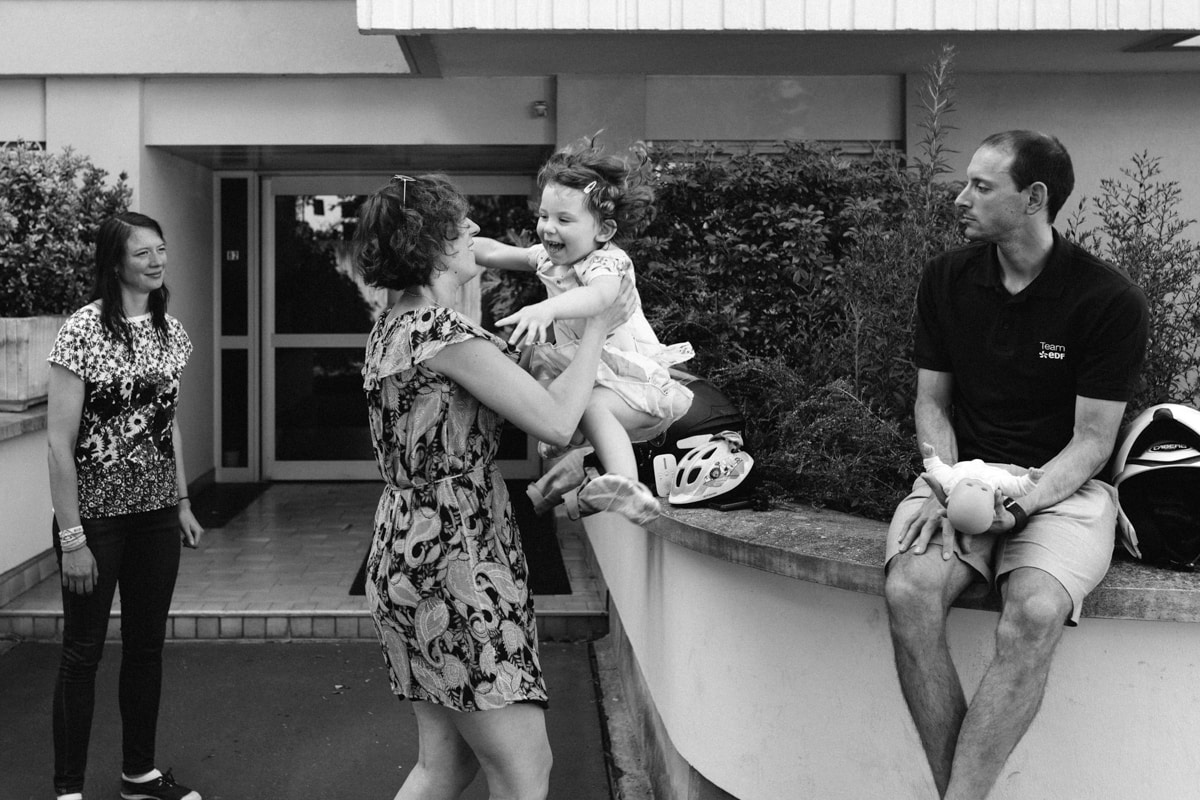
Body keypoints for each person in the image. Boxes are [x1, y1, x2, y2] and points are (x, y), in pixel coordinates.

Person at [352, 173, 641, 799]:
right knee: (524, 768)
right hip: (456, 561)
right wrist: (599, 320)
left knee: (446, 766)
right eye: (462, 228)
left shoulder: (394, 325)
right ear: (430, 245)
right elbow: (557, 418)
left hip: (409, 550)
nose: (475, 233)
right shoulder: (442, 336)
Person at [884, 131, 1149, 800]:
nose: (959, 197)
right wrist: (948, 483)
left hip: (1060, 486)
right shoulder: (947, 279)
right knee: (910, 592)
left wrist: (1023, 503)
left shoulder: (1105, 299)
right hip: (958, 477)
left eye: (980, 185)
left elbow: (1092, 440)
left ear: (1034, 198)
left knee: (1033, 612)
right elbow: (931, 405)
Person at [46, 212, 205, 800]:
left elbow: (169, 428)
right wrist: (72, 538)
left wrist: (183, 501)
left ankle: (138, 775)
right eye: (144, 254)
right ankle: (67, 791)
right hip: (95, 521)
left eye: (161, 250)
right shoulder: (82, 331)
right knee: (82, 654)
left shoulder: (172, 333)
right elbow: (58, 445)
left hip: (156, 517)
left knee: (146, 647)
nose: (158, 261)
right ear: (116, 264)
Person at [473, 137, 694, 510]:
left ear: (603, 231)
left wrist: (548, 309)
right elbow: (495, 252)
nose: (548, 228)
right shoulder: (547, 259)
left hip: (632, 380)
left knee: (591, 405)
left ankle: (626, 487)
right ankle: (567, 432)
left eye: (564, 220)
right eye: (544, 216)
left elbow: (601, 298)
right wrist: (457, 244)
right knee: (538, 359)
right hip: (592, 369)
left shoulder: (608, 262)